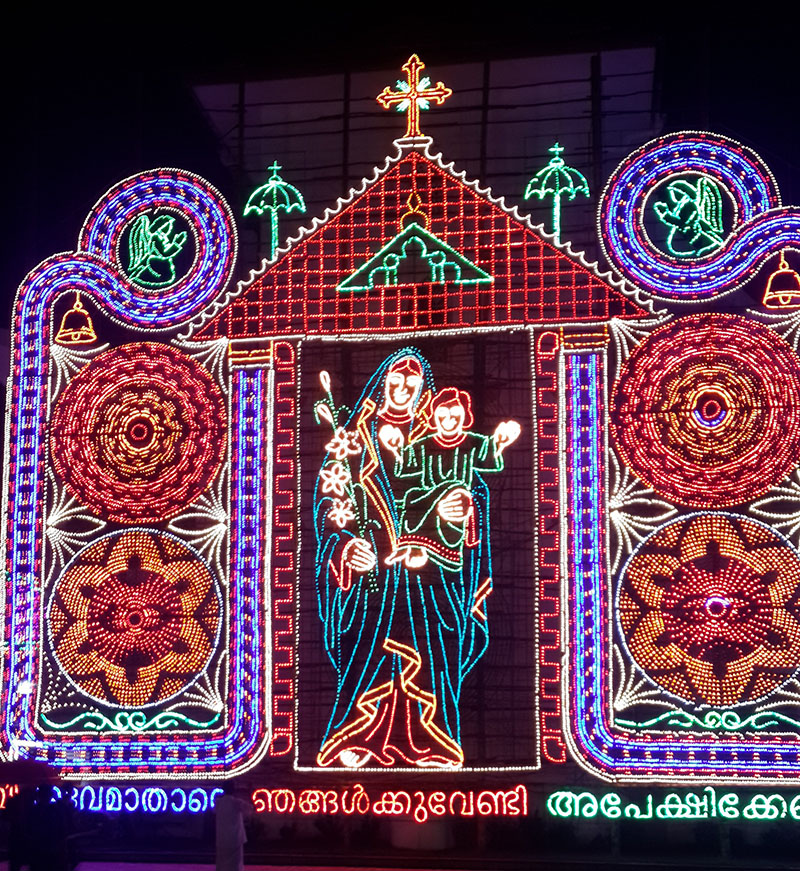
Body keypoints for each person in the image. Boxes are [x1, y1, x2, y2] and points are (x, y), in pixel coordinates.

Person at [314, 350, 515, 769]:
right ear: (383, 384)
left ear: (423, 390)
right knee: (369, 650)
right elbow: (330, 502)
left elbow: (472, 487)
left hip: (430, 571)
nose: (403, 390)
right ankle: (353, 736)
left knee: (433, 651)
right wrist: (347, 547)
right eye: (395, 382)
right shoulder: (353, 440)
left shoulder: (439, 436)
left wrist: (459, 509)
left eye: (412, 384)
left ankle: (434, 740)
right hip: (375, 575)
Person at [215, 782, 247, 871]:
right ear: (233, 790)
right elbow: (250, 809)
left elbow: (212, 811)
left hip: (222, 838)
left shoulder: (218, 802)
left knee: (221, 862)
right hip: (235, 838)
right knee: (236, 863)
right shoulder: (237, 802)